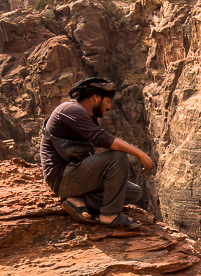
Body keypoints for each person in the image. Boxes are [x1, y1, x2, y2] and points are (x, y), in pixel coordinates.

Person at [39, 77, 154, 229]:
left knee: (134, 192)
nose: (110, 107)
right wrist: (139, 153)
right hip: (62, 179)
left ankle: (79, 201)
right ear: (96, 98)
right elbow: (102, 139)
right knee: (117, 157)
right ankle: (110, 215)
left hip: (74, 176)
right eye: (108, 101)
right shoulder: (71, 110)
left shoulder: (84, 115)